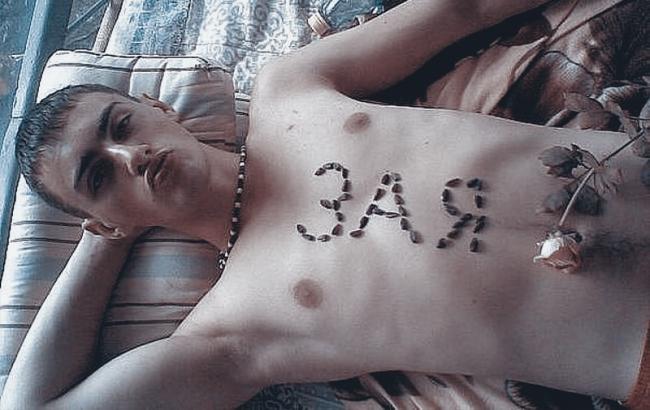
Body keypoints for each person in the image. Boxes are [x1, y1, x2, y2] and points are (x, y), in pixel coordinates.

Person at [2, 1, 648, 409]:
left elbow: (461, 10)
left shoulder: (289, 89)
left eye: (120, 126)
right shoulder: (233, 332)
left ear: (157, 107)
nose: (130, 156)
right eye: (98, 175)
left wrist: (108, 201)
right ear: (105, 220)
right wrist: (104, 242)